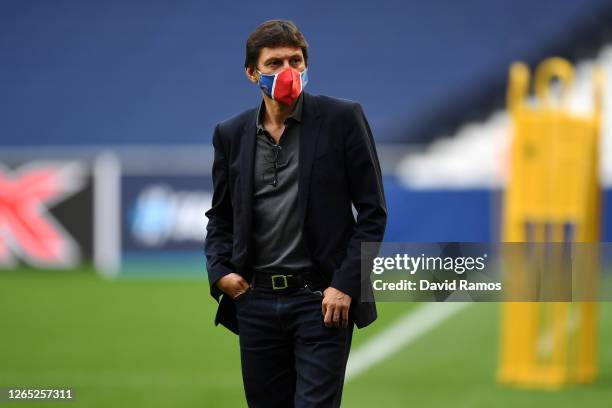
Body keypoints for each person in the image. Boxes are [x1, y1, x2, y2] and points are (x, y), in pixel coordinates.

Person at [204, 19, 387, 408]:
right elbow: (221, 216)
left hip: (321, 301)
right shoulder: (230, 133)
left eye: (295, 61)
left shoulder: (343, 119)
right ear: (252, 73)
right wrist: (220, 272)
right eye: (274, 64)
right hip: (254, 301)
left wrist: (346, 284)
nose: (287, 72)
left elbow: (373, 212)